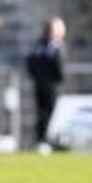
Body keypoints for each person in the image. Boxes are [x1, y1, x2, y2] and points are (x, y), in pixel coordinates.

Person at [26, 17, 66, 151]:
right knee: (45, 111)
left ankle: (46, 139)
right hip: (46, 84)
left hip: (45, 83)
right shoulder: (50, 45)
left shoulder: (41, 44)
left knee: (47, 111)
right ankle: (43, 139)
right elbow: (54, 63)